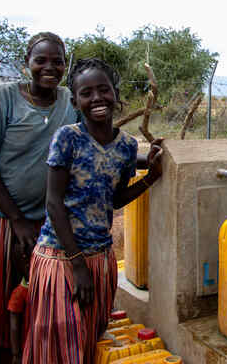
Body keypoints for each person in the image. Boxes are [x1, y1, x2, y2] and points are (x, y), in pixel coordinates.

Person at [22, 58, 163, 364]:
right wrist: (77, 264)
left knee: (89, 343)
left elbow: (113, 200)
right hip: (61, 258)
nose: (97, 98)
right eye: (86, 93)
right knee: (58, 347)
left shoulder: (126, 146)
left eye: (104, 90)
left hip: (101, 259)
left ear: (116, 94)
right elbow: (53, 203)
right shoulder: (67, 138)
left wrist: (150, 176)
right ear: (76, 102)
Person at [0, 32, 77, 358]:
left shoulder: (69, 100)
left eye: (57, 61)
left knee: (31, 304)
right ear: (27, 64)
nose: (49, 67)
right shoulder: (4, 97)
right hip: (1, 219)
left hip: (45, 223)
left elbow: (95, 140)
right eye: (41, 60)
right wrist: (16, 218)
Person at [8, 240, 31, 364]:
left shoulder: (20, 291)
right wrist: (16, 354)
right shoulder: (20, 293)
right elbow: (14, 324)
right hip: (27, 346)